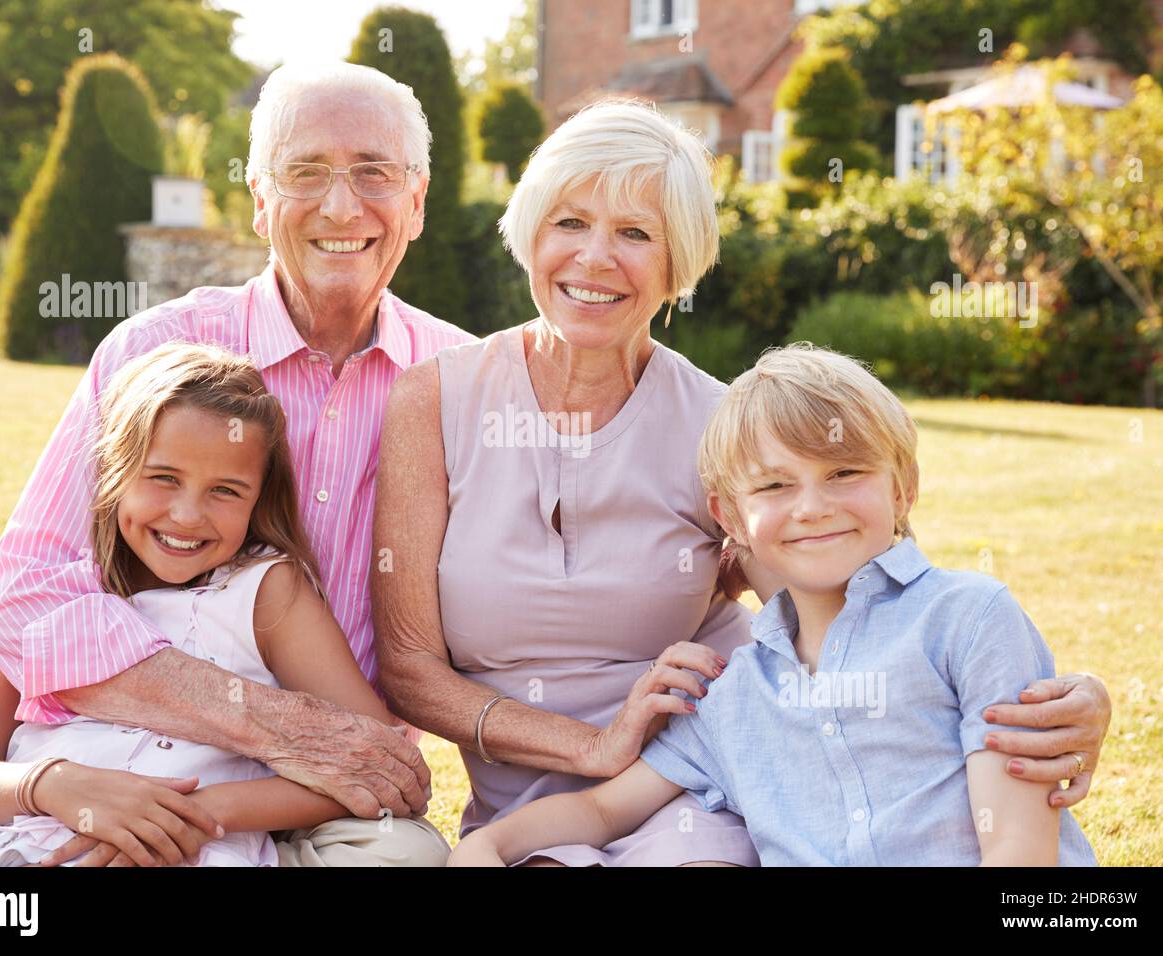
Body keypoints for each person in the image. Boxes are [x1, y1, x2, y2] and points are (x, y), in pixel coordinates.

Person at [374, 99, 1111, 867]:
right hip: (542, 811)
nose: (595, 258)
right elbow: (411, 668)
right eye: (569, 222)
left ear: (677, 261)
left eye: (635, 233)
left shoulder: (720, 421)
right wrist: (592, 745)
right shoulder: (434, 399)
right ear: (529, 232)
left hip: (704, 787)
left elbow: (864, 595)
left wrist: (1065, 695)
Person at [0, 61, 473, 863]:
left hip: (312, 768)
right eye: (306, 173)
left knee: (401, 853)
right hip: (96, 701)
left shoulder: (465, 382)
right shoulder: (152, 350)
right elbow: (27, 599)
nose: (342, 204)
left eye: (374, 172)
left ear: (418, 200)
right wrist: (244, 722)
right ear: (261, 201)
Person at [447, 344, 1098, 867]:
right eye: (775, 485)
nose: (812, 507)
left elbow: (1018, 854)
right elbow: (598, 813)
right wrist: (490, 844)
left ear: (904, 489)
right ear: (728, 515)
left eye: (845, 473)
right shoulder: (734, 695)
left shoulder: (969, 620)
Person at [0, 344, 448, 866]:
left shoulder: (267, 593)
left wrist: (189, 817)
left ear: (258, 499)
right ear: (114, 471)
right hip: (20, 847)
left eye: (225, 490)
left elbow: (372, 763)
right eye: (163, 478)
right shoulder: (52, 603)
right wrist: (54, 785)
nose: (186, 515)